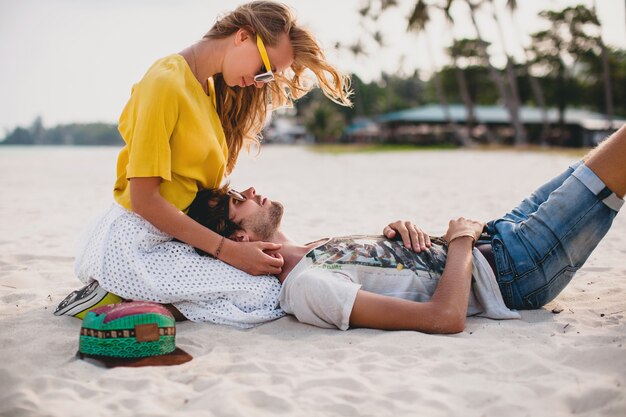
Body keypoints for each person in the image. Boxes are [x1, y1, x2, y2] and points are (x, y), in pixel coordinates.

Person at [59, 1, 351, 328]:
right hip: (136, 243)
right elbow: (144, 199)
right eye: (264, 70)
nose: (260, 83)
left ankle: (139, 298)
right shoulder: (165, 82)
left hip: (172, 236)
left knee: (266, 285)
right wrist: (227, 251)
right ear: (243, 36)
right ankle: (115, 297)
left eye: (268, 78)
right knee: (265, 295)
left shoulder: (208, 88)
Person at [186, 124, 626, 333]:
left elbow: (403, 271)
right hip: (518, 272)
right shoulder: (307, 288)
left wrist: (405, 233)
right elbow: (444, 318)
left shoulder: (313, 249)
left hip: (499, 236)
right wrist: (460, 242)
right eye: (236, 202)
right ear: (240, 239)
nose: (249, 190)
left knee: (598, 159)